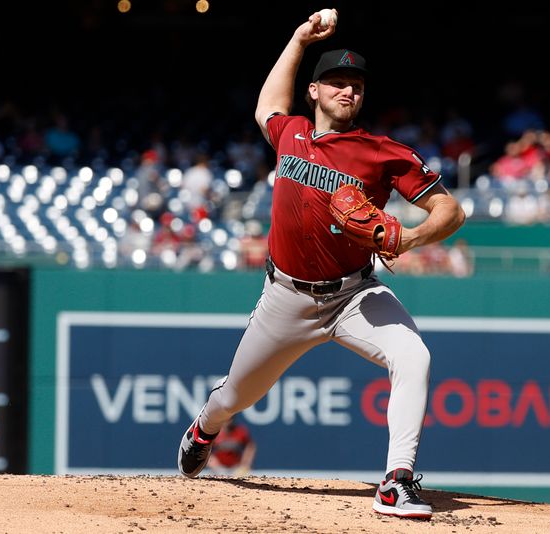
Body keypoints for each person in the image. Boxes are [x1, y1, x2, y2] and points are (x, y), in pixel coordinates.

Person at [177, 8, 465, 522]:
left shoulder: (382, 152)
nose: (347, 91)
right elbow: (266, 104)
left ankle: (396, 482)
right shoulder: (290, 132)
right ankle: (205, 428)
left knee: (415, 356)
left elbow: (450, 210)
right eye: (335, 82)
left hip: (355, 294)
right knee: (235, 396)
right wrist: (297, 38)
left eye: (355, 84)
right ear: (314, 91)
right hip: (285, 297)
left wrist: (413, 237)